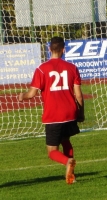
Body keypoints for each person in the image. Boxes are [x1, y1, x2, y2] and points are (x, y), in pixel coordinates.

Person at [18, 37, 85, 184]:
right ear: (63, 49)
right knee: (66, 141)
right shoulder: (72, 68)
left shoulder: (42, 69)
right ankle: (71, 176)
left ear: (49, 50)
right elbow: (78, 95)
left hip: (53, 115)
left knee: (52, 151)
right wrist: (81, 113)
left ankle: (67, 162)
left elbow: (32, 94)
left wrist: (22, 96)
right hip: (70, 113)